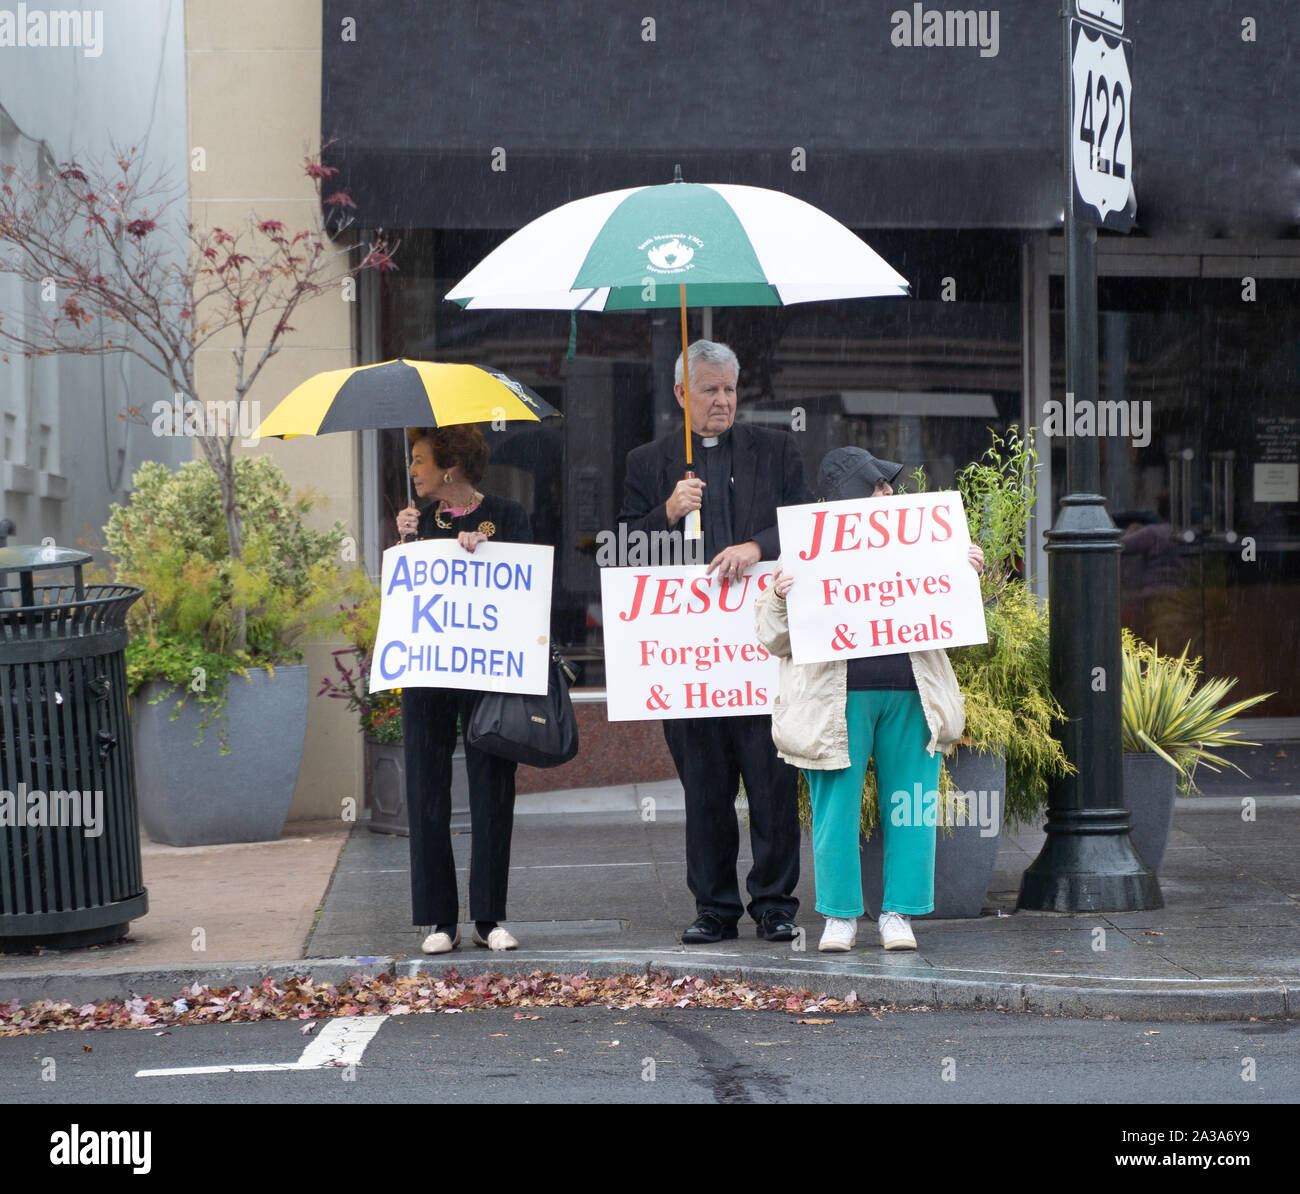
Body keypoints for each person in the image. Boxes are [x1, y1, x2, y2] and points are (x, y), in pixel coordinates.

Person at [618, 339, 812, 945]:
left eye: (729, 388)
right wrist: (667, 513)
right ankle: (714, 909)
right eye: (709, 390)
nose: (723, 400)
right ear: (682, 395)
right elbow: (618, 550)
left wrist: (757, 545)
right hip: (691, 663)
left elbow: (806, 521)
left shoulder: (775, 449)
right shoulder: (647, 463)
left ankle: (776, 905)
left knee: (772, 786)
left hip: (761, 659)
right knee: (705, 790)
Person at [754, 446, 981, 953]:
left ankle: (898, 913)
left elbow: (954, 618)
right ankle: (840, 916)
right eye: (875, 484)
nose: (887, 492)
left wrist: (966, 572)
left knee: (912, 807)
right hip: (836, 701)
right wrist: (778, 597)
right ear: (844, 497)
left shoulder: (922, 542)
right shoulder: (803, 551)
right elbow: (772, 637)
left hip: (910, 692)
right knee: (836, 808)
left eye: (886, 484)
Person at [395, 425, 532, 954]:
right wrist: (403, 540)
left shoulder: (509, 515)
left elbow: (530, 584)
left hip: (489, 674)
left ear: (448, 467)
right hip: (428, 673)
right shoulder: (416, 522)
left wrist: (490, 552)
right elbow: (402, 593)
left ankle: (488, 917)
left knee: (491, 791)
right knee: (427, 790)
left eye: (420, 460)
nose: (413, 470)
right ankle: (438, 921)